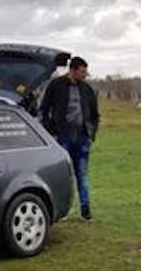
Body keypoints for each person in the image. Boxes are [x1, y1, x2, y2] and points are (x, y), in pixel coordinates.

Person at [40, 56, 100, 221]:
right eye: (82, 71)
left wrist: (91, 133)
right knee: (63, 176)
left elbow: (95, 114)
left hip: (82, 138)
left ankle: (86, 211)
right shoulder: (56, 85)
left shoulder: (87, 89)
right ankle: (61, 211)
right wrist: (51, 130)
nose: (85, 74)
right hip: (62, 137)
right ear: (72, 70)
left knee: (82, 175)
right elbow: (44, 109)